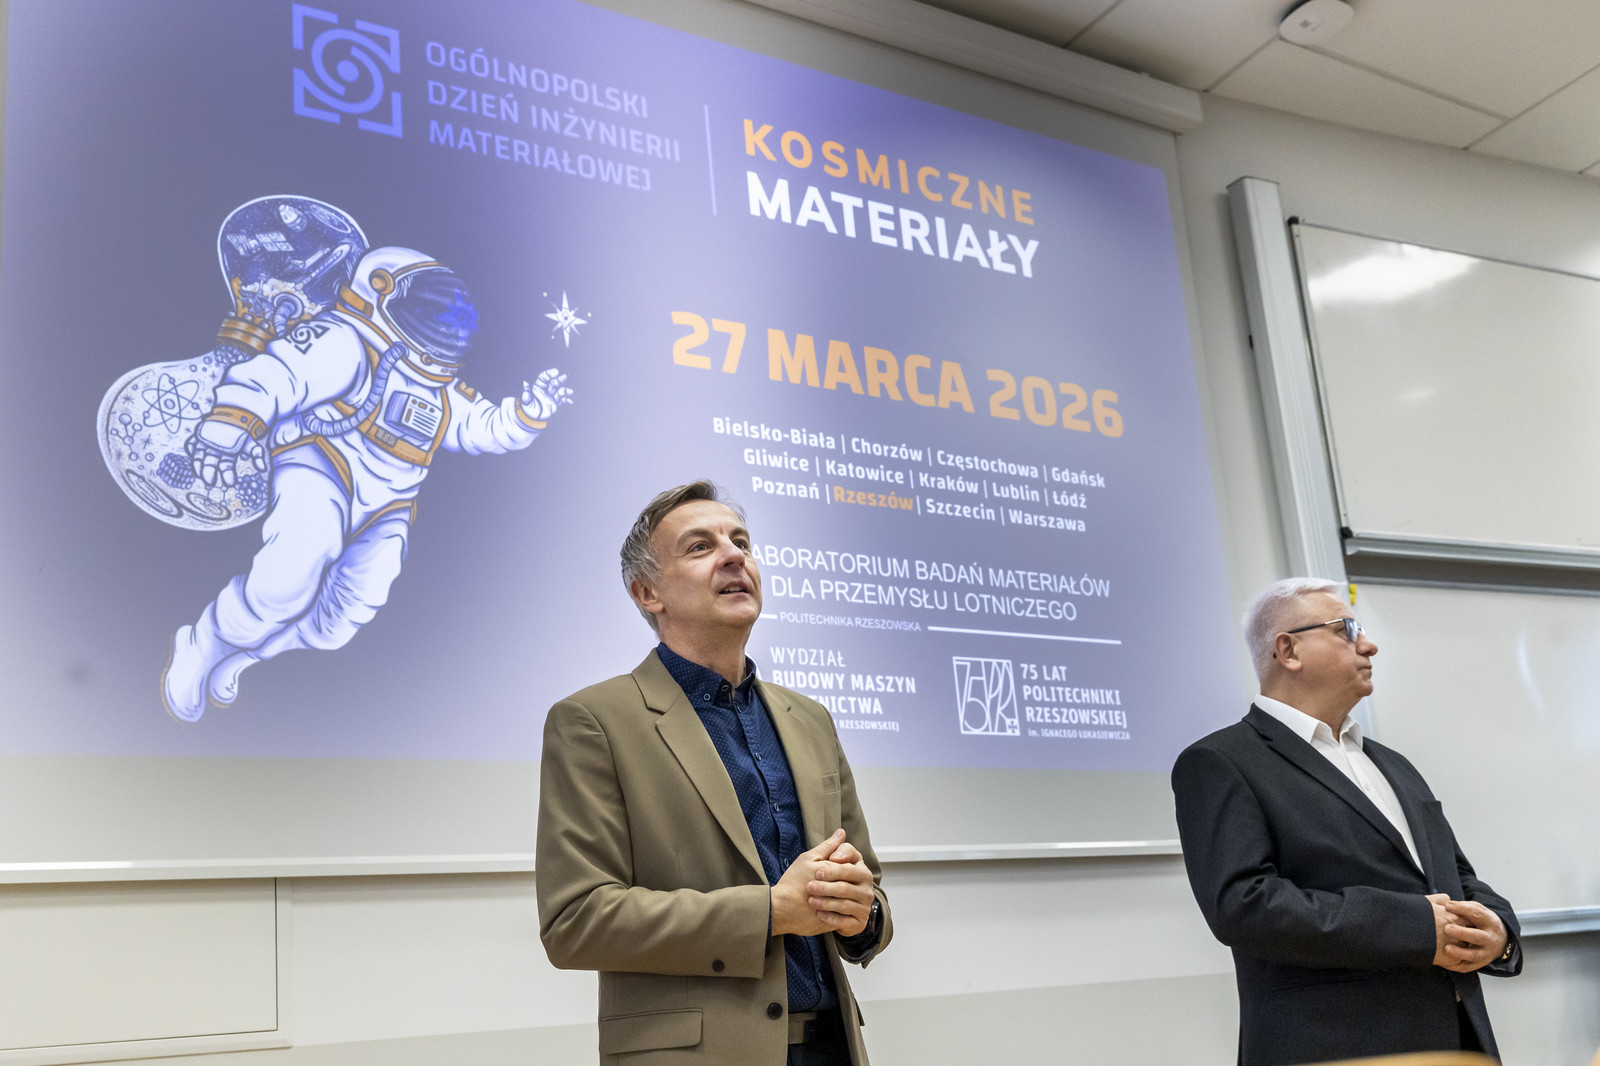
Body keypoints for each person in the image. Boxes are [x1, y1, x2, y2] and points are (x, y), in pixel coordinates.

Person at [537, 481, 891, 1065]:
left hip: (834, 1048)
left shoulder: (810, 719)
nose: (733, 556)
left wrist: (863, 915)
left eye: (741, 542)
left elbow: (869, 888)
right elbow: (576, 921)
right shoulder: (593, 722)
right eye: (701, 546)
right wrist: (770, 911)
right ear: (647, 592)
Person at [162, 245, 572, 721]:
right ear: (381, 290)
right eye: (430, 314)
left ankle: (248, 656)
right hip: (322, 467)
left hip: (387, 507)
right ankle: (204, 645)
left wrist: (527, 415)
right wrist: (228, 425)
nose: (443, 330)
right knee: (284, 583)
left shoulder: (440, 387)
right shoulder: (345, 341)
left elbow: (484, 427)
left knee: (341, 620)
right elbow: (280, 374)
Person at [1172, 577, 1521, 1066]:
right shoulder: (1221, 761)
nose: (1369, 645)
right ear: (1288, 650)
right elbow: (1244, 905)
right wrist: (1415, 925)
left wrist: (1499, 932)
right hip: (1334, 1047)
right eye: (1347, 629)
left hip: (1458, 1041)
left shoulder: (1393, 763)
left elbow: (1454, 876)